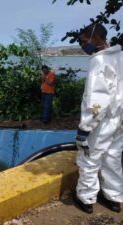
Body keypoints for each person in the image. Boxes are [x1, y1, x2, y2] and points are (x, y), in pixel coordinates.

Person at [74, 22, 123, 214]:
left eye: (84, 41)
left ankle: (86, 199)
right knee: (112, 157)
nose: (83, 45)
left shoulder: (99, 61)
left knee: (89, 158)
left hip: (102, 121)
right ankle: (114, 198)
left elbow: (96, 99)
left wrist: (85, 128)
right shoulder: (120, 56)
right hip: (119, 120)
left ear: (94, 38)